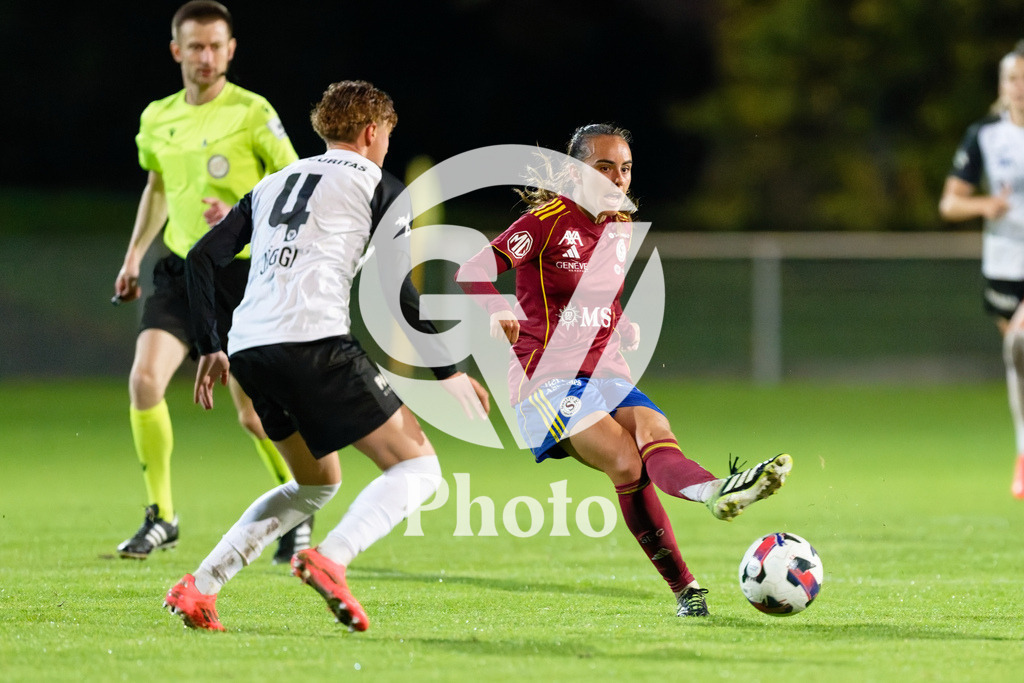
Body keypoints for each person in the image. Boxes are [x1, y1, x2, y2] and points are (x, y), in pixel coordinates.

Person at [164, 79, 490, 632]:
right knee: (419, 467)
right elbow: (398, 293)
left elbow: (200, 257)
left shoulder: (272, 184)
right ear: (371, 132)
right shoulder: (382, 189)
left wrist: (210, 345)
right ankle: (330, 560)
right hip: (314, 342)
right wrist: (449, 372)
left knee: (316, 483)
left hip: (249, 349)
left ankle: (199, 587)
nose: (386, 145)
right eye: (386, 135)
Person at [455, 123, 792, 617]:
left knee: (656, 429)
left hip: (604, 368)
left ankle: (715, 491)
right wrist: (497, 310)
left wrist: (622, 321)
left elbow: (598, 295)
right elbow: (472, 270)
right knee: (626, 462)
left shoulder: (618, 223)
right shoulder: (545, 222)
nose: (618, 177)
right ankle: (685, 586)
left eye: (626, 168)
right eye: (605, 166)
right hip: (548, 379)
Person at [112, 1, 312, 564]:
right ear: (177, 50)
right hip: (179, 270)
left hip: (242, 273)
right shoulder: (158, 117)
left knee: (251, 413)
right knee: (145, 380)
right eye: (195, 46)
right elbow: (157, 187)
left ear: (230, 49)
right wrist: (132, 258)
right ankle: (162, 517)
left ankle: (297, 506)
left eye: (216, 45)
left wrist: (236, 216)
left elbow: (293, 187)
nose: (206, 56)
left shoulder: (252, 112)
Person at [940, 41, 1024, 499]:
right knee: (1019, 357)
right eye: (1013, 79)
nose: (1020, 88)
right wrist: (985, 203)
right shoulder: (986, 136)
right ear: (1002, 85)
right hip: (1005, 266)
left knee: (1019, 339)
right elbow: (950, 203)